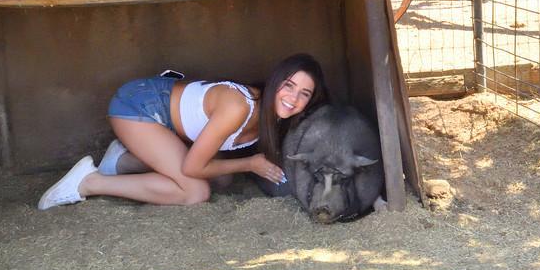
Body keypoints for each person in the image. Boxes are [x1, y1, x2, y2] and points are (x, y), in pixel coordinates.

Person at [37, 53, 327, 209]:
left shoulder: (275, 116)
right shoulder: (240, 106)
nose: (293, 98)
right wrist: (250, 163)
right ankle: (88, 183)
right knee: (195, 191)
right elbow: (192, 167)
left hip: (166, 123)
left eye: (304, 94)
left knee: (223, 179)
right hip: (140, 107)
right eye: (288, 86)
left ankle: (124, 161)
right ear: (276, 82)